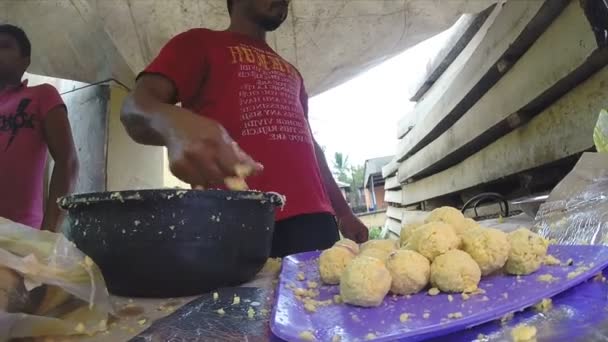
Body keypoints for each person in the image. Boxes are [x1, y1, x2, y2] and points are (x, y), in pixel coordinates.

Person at [120, 0, 369, 257]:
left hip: (315, 220)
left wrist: (343, 212)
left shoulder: (292, 72)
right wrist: (174, 126)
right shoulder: (198, 43)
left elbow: (310, 145)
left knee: (317, 296)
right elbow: (134, 108)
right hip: (236, 221)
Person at [0, 24, 79, 231]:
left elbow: (67, 162)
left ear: (25, 61)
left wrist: (50, 232)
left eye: (4, 46)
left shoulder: (42, 94)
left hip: (22, 236)